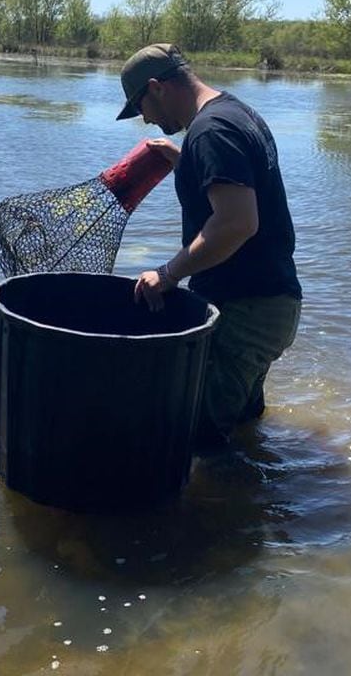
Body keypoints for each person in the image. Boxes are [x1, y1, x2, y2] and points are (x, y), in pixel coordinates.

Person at [116, 43, 302, 451]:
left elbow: (236, 223)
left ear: (157, 87)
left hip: (246, 313)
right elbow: (241, 193)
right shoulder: (233, 114)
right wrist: (185, 161)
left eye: (140, 106)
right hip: (268, 305)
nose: (144, 119)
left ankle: (223, 513)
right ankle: (266, 504)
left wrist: (167, 274)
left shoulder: (211, 132)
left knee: (199, 443)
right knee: (243, 429)